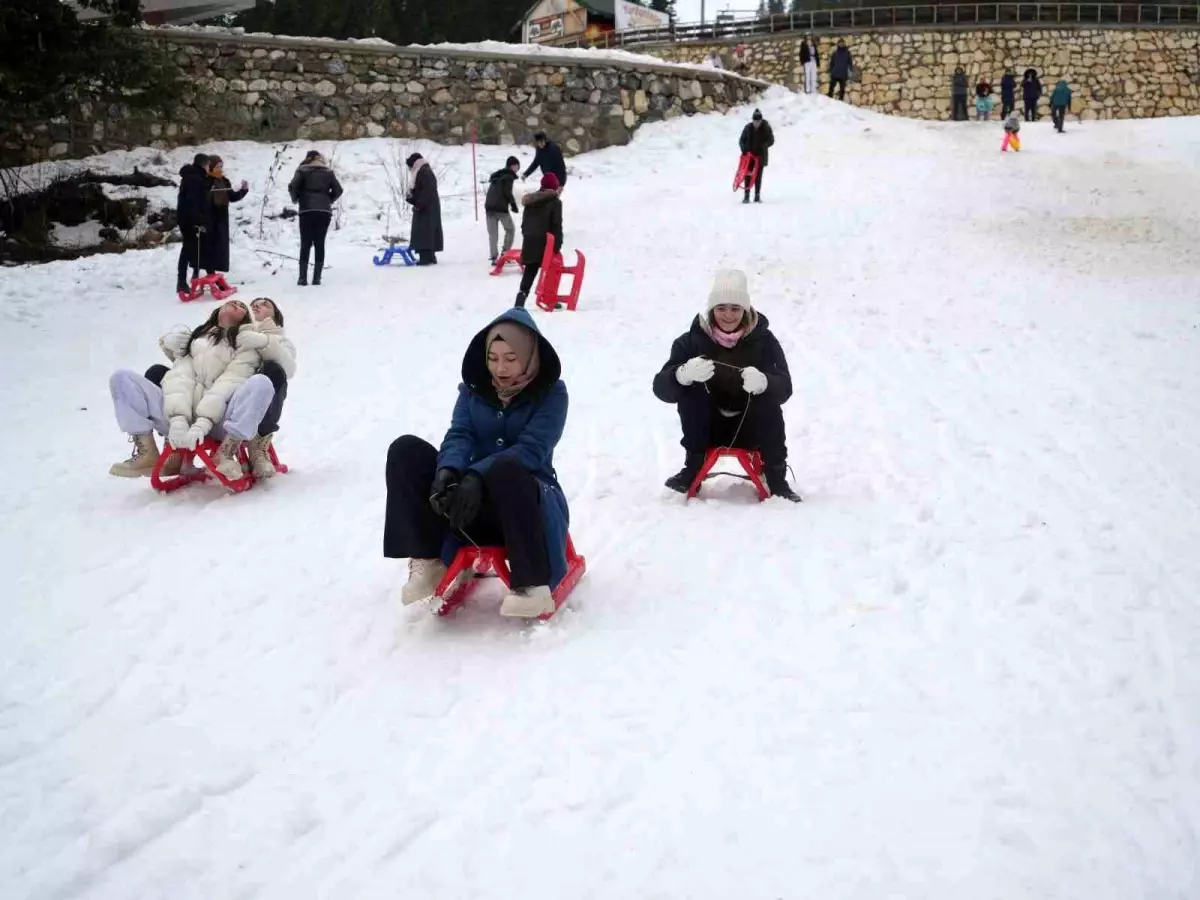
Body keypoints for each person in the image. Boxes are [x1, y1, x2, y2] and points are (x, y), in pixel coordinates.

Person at [384, 308, 571, 618]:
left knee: (507, 467)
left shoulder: (552, 394)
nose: (500, 368)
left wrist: (476, 475)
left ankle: (532, 586)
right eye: (493, 358)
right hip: (470, 506)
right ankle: (428, 559)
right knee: (406, 450)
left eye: (511, 358)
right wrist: (449, 472)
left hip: (526, 505)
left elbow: (532, 449)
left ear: (529, 355)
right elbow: (460, 434)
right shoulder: (473, 391)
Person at [652, 270, 801, 503]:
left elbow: (785, 388)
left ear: (745, 310)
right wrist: (682, 375)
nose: (728, 315)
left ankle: (776, 477)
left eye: (735, 308)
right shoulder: (690, 342)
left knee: (767, 398)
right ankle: (692, 467)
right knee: (692, 390)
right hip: (706, 430)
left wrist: (766, 382)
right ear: (712, 310)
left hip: (751, 429)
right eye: (721, 308)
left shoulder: (765, 341)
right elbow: (661, 388)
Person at [108, 300, 274, 484]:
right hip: (179, 420)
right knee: (122, 379)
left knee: (262, 383)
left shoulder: (245, 344)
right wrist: (178, 420)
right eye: (231, 302)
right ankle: (146, 452)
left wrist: (202, 423)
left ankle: (227, 451)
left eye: (242, 306)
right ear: (217, 310)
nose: (236, 305)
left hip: (221, 423)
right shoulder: (194, 339)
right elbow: (180, 379)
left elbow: (229, 383)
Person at [139, 298, 296, 479]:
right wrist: (172, 345)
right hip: (211, 397)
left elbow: (288, 368)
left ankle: (258, 442)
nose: (257, 305)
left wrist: (264, 342)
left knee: (272, 372)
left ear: (276, 317)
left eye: (266, 304)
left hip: (240, 401)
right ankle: (173, 443)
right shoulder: (222, 331)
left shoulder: (275, 338)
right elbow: (193, 368)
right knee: (158, 373)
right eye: (253, 304)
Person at [288, 150, 343, 286]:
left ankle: (302, 278)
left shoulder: (302, 170)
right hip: (324, 211)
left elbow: (293, 186)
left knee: (305, 243)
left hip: (306, 209)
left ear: (308, 159)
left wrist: (296, 199)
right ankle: (317, 278)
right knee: (320, 243)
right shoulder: (328, 172)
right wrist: (328, 200)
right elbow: (339, 190)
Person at [515, 172, 564, 308]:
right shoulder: (555, 202)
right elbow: (556, 225)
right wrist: (557, 246)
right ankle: (549, 299)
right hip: (545, 243)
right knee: (552, 269)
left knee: (530, 270)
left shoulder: (531, 201)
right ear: (554, 187)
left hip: (530, 240)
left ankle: (521, 299)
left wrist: (527, 235)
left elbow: (524, 224)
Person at [200, 154, 248, 276]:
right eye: (217, 167)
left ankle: (214, 272)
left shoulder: (224, 181)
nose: (220, 169)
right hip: (208, 216)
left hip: (221, 217)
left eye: (221, 166)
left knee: (219, 246)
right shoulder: (205, 180)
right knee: (207, 245)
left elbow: (232, 197)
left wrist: (243, 190)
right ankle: (207, 272)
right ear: (210, 167)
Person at [175, 153, 210, 296]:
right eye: (208, 165)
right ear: (204, 165)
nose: (209, 168)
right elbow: (192, 201)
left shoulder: (192, 176)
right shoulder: (195, 179)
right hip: (189, 220)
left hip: (185, 218)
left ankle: (194, 277)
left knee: (194, 248)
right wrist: (198, 219)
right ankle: (181, 282)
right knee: (187, 249)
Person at [405, 152, 443, 266]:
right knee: (427, 232)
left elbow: (427, 191)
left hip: (426, 208)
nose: (410, 169)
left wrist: (419, 204)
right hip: (428, 207)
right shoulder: (423, 171)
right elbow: (422, 190)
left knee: (424, 232)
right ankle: (430, 256)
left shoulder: (424, 172)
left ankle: (425, 258)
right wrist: (411, 198)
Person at [485, 156, 521, 265]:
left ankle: (494, 257)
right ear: (512, 166)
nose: (518, 169)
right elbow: (507, 191)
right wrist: (513, 204)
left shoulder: (497, 175)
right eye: (517, 166)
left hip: (489, 207)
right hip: (500, 208)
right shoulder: (508, 176)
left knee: (493, 234)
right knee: (510, 229)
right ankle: (505, 252)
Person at [738, 109, 774, 204]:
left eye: (758, 121)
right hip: (749, 156)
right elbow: (741, 140)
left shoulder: (766, 128)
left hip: (760, 156)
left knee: (758, 176)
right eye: (755, 121)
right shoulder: (748, 128)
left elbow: (771, 140)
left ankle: (757, 196)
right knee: (748, 175)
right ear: (752, 120)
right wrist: (744, 149)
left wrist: (765, 145)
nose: (757, 123)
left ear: (761, 120)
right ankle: (746, 195)